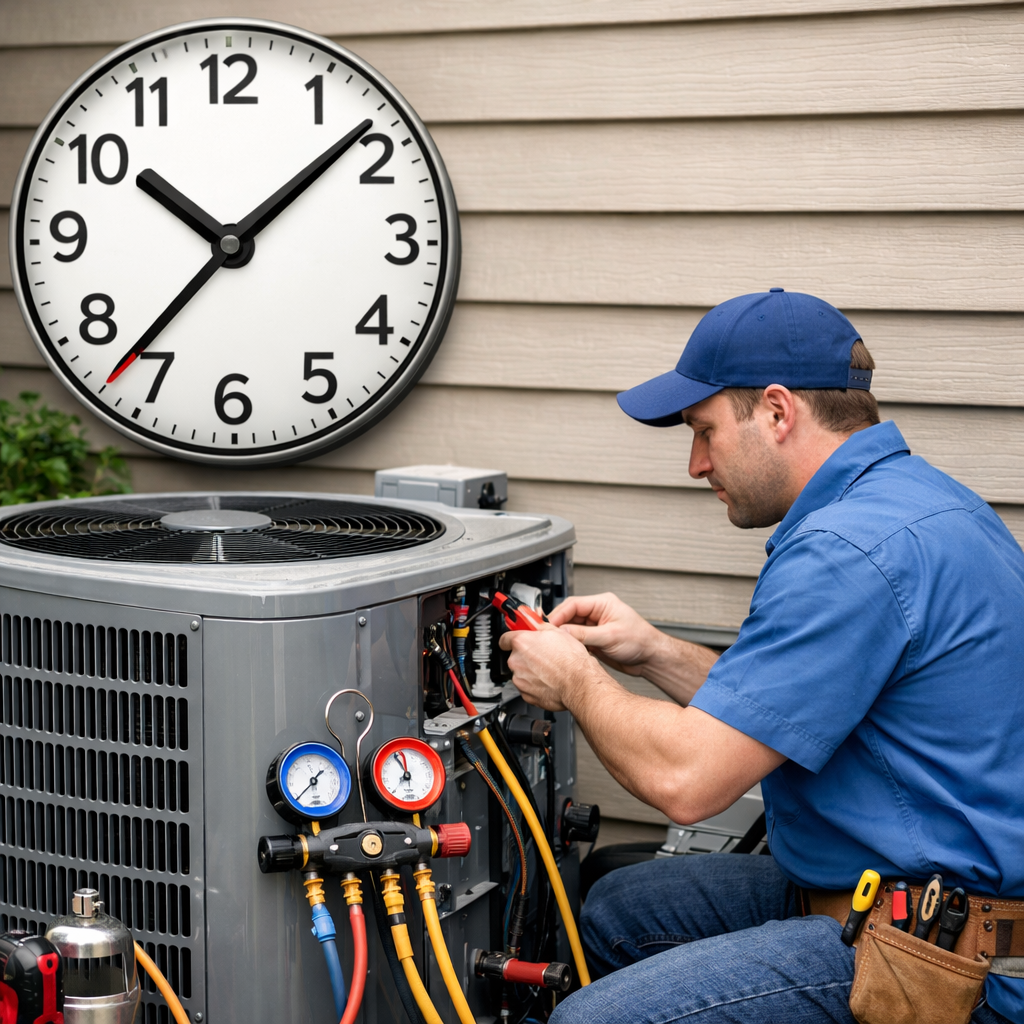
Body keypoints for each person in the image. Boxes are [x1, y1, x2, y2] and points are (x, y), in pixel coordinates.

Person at [499, 289, 1024, 1024]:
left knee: (586, 1021)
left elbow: (687, 781)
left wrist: (576, 680)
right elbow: (791, 708)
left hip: (943, 959)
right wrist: (651, 653)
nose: (694, 463)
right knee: (623, 905)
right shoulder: (911, 503)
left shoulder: (848, 552)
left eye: (704, 431)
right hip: (908, 894)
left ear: (778, 412)